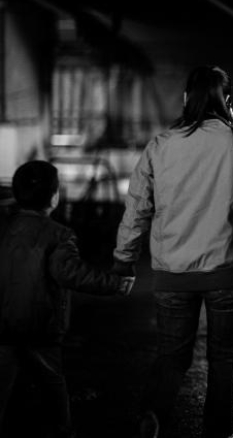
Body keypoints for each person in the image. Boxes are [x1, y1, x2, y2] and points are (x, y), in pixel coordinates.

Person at [112, 65, 233, 438]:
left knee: (172, 355)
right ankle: (218, 431)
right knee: (224, 357)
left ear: (185, 99)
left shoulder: (161, 145)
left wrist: (124, 258)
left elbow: (138, 206)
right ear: (228, 102)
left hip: (172, 273)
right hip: (228, 272)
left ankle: (153, 413)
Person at [0, 161, 134, 438]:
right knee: (52, 383)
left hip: (3, 324)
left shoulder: (3, 229)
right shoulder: (58, 234)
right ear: (53, 197)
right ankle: (62, 431)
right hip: (40, 325)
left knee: (2, 384)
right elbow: (74, 274)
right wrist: (116, 284)